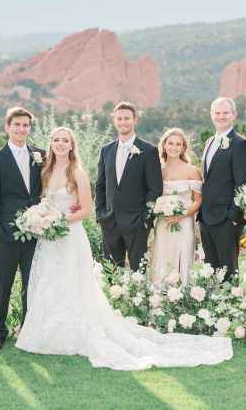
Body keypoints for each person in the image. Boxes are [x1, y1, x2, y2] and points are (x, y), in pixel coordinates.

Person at [16, 127, 233, 370]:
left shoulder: (77, 173)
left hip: (68, 235)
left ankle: (74, 332)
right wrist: (42, 219)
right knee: (50, 282)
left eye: (65, 140)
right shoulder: (45, 171)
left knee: (73, 283)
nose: (60, 143)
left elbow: (86, 209)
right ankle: (46, 332)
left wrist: (57, 222)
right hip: (48, 238)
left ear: (72, 145)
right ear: (50, 143)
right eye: (56, 139)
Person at [0, 107, 46, 350]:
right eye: (17, 125)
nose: (21, 129)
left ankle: (29, 329)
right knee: (3, 287)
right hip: (7, 235)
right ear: (8, 127)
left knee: (32, 285)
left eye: (26, 125)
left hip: (36, 234)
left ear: (30, 128)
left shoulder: (40, 155)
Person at [94, 102, 162, 272]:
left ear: (135, 120)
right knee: (111, 273)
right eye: (119, 119)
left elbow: (154, 188)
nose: (123, 122)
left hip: (136, 223)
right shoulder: (106, 150)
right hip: (109, 221)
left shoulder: (149, 150)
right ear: (114, 121)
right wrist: (100, 214)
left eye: (127, 118)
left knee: (139, 272)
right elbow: (100, 185)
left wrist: (146, 219)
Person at [197, 98, 246, 283]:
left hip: (227, 218)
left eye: (225, 113)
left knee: (228, 270)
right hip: (206, 217)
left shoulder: (240, 143)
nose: (221, 116)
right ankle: (213, 309)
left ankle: (229, 309)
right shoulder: (209, 142)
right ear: (211, 115)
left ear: (234, 115)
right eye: (217, 113)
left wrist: (235, 216)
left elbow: (242, 182)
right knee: (210, 270)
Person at [150, 128, 202, 286]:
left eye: (178, 144)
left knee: (182, 255)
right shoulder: (157, 171)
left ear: (184, 147)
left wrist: (182, 215)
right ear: (164, 145)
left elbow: (198, 200)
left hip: (184, 221)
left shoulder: (192, 170)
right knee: (162, 255)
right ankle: (160, 297)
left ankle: (182, 296)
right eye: (170, 143)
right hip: (163, 222)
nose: (174, 147)